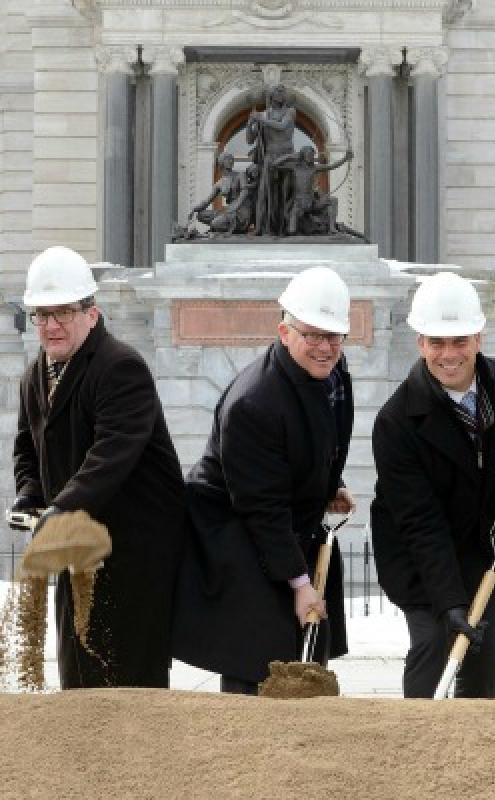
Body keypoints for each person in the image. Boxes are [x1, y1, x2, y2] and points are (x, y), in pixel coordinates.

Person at [172, 266, 355, 694]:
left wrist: (331, 484)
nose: (324, 347)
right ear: (284, 331)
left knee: (308, 652)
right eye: (312, 334)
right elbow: (261, 508)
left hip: (291, 525)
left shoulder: (332, 374)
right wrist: (300, 583)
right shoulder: (254, 404)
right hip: (239, 534)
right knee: (260, 653)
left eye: (333, 336)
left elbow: (324, 438)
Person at [11, 246, 184, 689]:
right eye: (41, 315)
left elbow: (111, 455)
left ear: (92, 312)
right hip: (77, 551)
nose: (50, 326)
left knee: (130, 685)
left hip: (132, 556)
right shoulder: (36, 375)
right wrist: (30, 495)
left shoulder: (121, 367)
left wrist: (61, 509)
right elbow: (27, 450)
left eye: (63, 313)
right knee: (80, 679)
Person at [371, 272, 495, 699]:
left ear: (478, 338)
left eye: (459, 341)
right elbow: (420, 522)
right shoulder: (396, 422)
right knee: (435, 641)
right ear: (421, 344)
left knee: (484, 652)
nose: (449, 354)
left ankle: (474, 752)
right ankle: (419, 743)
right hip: (418, 551)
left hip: (481, 540)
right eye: (437, 342)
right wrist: (449, 601)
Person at [248, 84, 297, 237]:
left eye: (283, 91)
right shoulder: (263, 115)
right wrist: (249, 124)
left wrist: (261, 119)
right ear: (271, 95)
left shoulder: (290, 112)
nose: (282, 94)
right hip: (269, 156)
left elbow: (282, 126)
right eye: (278, 91)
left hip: (286, 156)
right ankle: (261, 227)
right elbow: (250, 139)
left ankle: (284, 227)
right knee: (264, 193)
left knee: (284, 193)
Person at [273, 145, 353, 235]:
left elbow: (332, 166)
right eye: (308, 154)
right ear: (303, 155)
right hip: (299, 204)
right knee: (292, 231)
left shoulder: (314, 168)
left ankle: (332, 228)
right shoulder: (295, 167)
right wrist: (289, 156)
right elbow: (275, 164)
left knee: (333, 200)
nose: (311, 157)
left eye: (312, 155)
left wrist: (345, 158)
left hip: (312, 203)